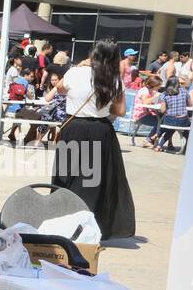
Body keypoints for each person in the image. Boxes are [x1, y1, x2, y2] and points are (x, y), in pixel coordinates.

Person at [51, 38, 134, 239]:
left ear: (93, 53)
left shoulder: (75, 73)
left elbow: (60, 90)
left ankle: (63, 221)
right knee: (92, 181)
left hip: (73, 128)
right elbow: (121, 110)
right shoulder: (114, 79)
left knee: (66, 175)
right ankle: (87, 227)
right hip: (100, 130)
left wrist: (79, 67)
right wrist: (103, 106)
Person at [155, 74, 193, 153]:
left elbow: (163, 110)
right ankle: (188, 147)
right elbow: (190, 105)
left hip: (170, 120)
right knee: (187, 130)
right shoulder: (184, 91)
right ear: (178, 83)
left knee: (170, 127)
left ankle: (158, 139)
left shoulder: (164, 94)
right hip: (182, 120)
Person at [132, 74, 165, 148]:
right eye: (159, 85)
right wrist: (155, 97)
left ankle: (152, 140)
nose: (160, 87)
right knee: (160, 122)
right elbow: (145, 102)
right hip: (141, 116)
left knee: (165, 119)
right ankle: (148, 140)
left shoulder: (151, 91)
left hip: (148, 114)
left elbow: (154, 102)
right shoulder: (144, 90)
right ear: (154, 85)